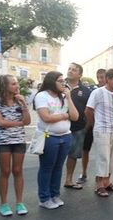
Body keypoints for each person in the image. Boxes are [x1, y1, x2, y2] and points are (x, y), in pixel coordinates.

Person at [34, 71, 79, 209]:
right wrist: (64, 116)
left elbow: (75, 116)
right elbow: (46, 117)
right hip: (49, 137)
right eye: (60, 81)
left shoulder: (64, 97)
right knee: (47, 167)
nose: (63, 83)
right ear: (51, 81)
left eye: (63, 80)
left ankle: (54, 195)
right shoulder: (42, 96)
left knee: (58, 167)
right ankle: (44, 198)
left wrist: (69, 98)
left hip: (65, 136)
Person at [0, 75, 31, 216]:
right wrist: (19, 123)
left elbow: (27, 121)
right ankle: (3, 204)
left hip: (19, 141)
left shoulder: (20, 101)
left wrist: (24, 105)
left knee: (18, 171)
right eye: (13, 84)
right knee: (5, 171)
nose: (17, 86)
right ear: (5, 86)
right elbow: (1, 123)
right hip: (3, 141)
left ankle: (19, 202)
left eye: (16, 83)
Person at [85, 69, 113, 197]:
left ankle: (107, 182)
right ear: (108, 79)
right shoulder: (97, 92)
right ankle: (99, 185)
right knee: (103, 157)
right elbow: (89, 110)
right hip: (102, 130)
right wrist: (94, 123)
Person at [63, 63, 91, 189]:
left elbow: (89, 110)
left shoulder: (86, 91)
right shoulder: (59, 86)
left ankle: (68, 179)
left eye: (74, 70)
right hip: (59, 126)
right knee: (56, 155)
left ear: (80, 75)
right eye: (69, 69)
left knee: (73, 155)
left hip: (78, 128)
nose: (70, 71)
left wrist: (86, 127)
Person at [77, 68, 106, 184]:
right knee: (85, 149)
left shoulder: (111, 91)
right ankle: (83, 173)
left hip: (103, 127)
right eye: (98, 77)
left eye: (102, 77)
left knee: (102, 152)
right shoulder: (92, 90)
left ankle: (101, 176)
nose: (100, 79)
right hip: (91, 125)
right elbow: (88, 108)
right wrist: (89, 123)